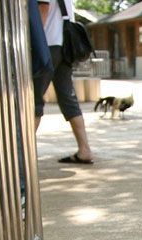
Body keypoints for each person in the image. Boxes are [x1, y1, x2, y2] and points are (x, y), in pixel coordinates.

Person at [35, 0, 94, 164]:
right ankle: (84, 149)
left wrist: (35, 43)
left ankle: (20, 154)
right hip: (65, 48)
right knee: (67, 97)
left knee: (34, 100)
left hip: (48, 45)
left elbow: (43, 8)